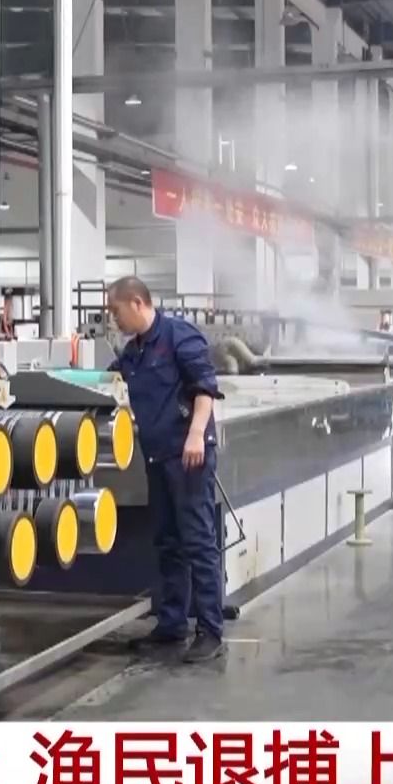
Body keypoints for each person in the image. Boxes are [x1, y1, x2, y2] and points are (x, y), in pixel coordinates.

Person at [106, 275, 228, 663]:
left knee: (198, 541)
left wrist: (196, 434)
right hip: (157, 457)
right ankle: (172, 625)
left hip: (188, 456)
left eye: (116, 311)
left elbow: (205, 388)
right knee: (168, 543)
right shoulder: (133, 353)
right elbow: (107, 382)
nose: (114, 319)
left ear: (137, 303)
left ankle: (210, 631)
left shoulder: (178, 336)